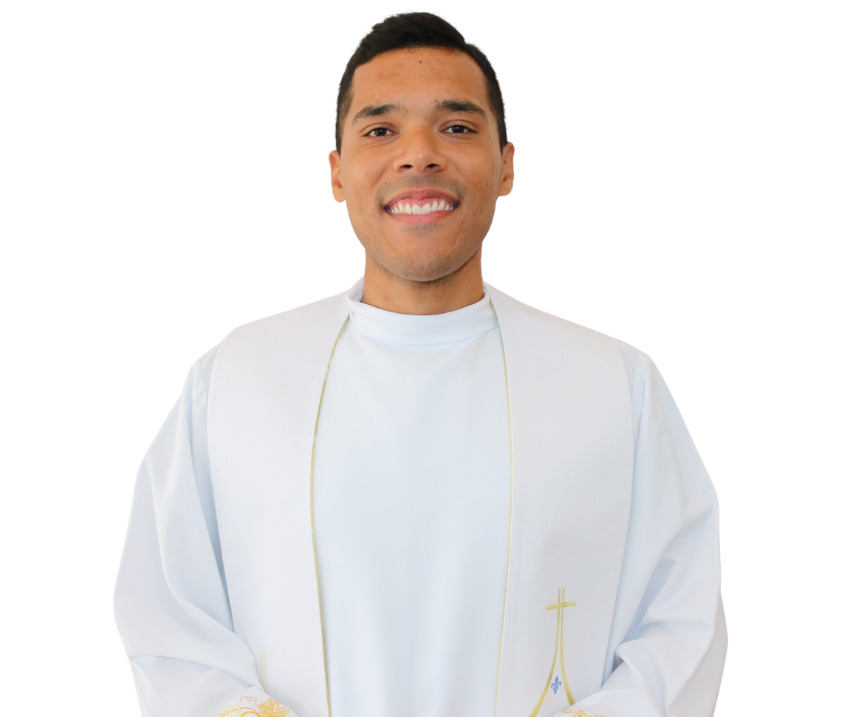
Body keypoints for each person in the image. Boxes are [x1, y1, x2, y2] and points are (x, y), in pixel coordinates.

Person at [115, 12, 726, 717]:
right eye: (380, 130)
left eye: (456, 127)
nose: (418, 155)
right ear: (336, 173)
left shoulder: (612, 386)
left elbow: (679, 624)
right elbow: (170, 621)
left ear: (506, 165)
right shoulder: (236, 382)